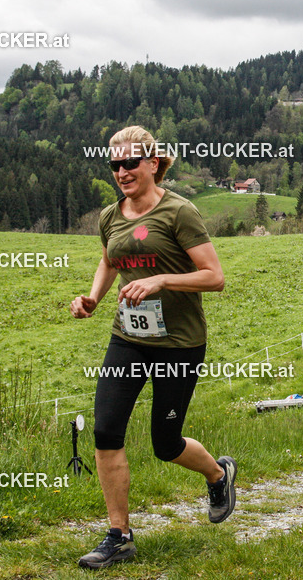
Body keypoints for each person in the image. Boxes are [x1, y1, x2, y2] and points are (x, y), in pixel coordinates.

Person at [70, 126, 235, 569]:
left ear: (153, 163)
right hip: (129, 338)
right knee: (106, 430)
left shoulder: (180, 212)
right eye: (114, 165)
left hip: (178, 345)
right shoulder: (111, 215)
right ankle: (119, 536)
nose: (122, 171)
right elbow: (109, 260)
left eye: (130, 163)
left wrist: (161, 278)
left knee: (165, 443)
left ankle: (218, 475)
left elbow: (214, 277)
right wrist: (93, 299)